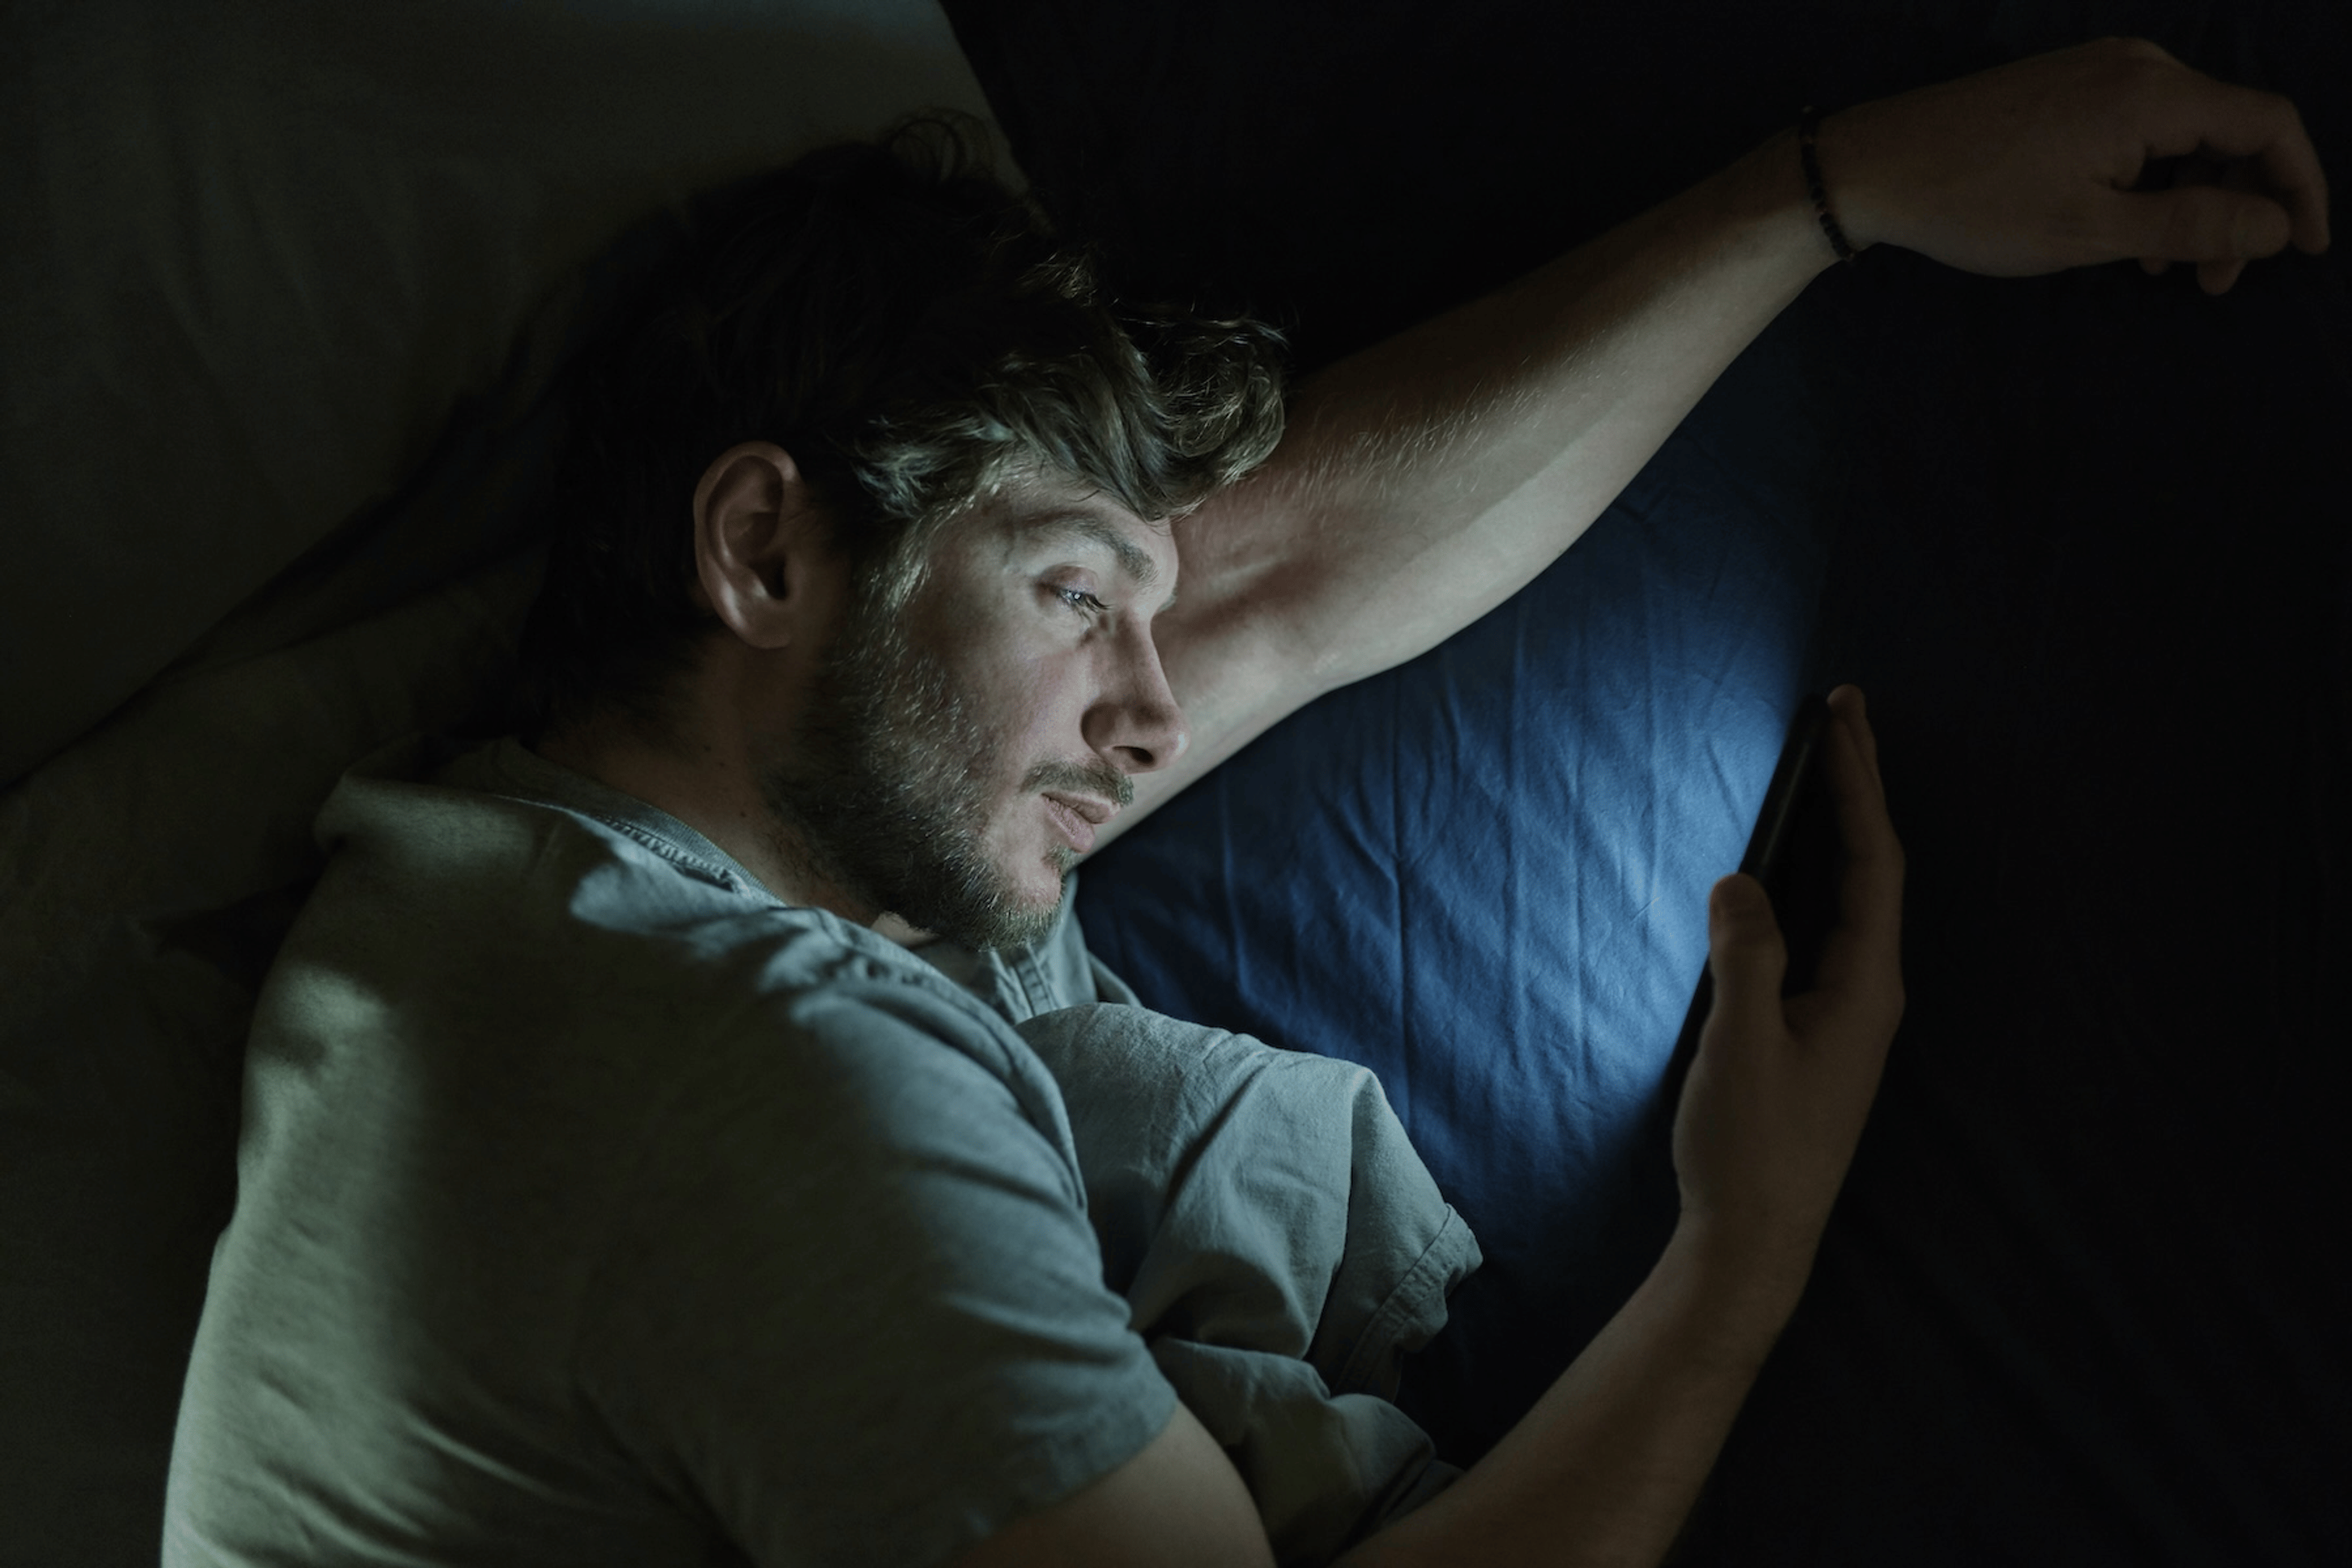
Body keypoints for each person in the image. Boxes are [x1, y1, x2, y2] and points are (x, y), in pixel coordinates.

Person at [163, 37, 2326, 1568]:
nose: (1139, 708)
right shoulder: (738, 1092)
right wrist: (1742, 1256)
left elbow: (1279, 584)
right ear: (761, 551)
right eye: (1075, 595)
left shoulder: (540, 883)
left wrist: (1842, 194)